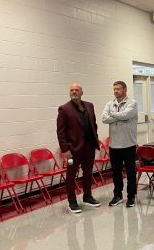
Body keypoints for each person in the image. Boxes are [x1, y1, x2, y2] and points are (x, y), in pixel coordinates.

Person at [57, 83, 101, 213]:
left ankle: (87, 196)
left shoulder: (89, 106)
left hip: (89, 147)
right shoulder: (64, 109)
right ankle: (72, 202)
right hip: (73, 150)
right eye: (72, 90)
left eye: (77, 90)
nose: (74, 92)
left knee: (88, 174)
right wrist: (65, 149)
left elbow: (94, 124)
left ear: (82, 92)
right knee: (71, 177)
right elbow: (60, 132)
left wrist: (95, 139)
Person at [102, 81, 138, 208]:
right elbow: (103, 118)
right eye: (114, 89)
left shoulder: (132, 103)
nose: (116, 91)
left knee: (130, 172)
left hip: (128, 144)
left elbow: (127, 115)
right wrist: (120, 116)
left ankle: (131, 196)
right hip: (114, 146)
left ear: (125, 90)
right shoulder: (109, 104)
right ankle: (117, 195)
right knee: (116, 172)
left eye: (118, 89)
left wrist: (112, 115)